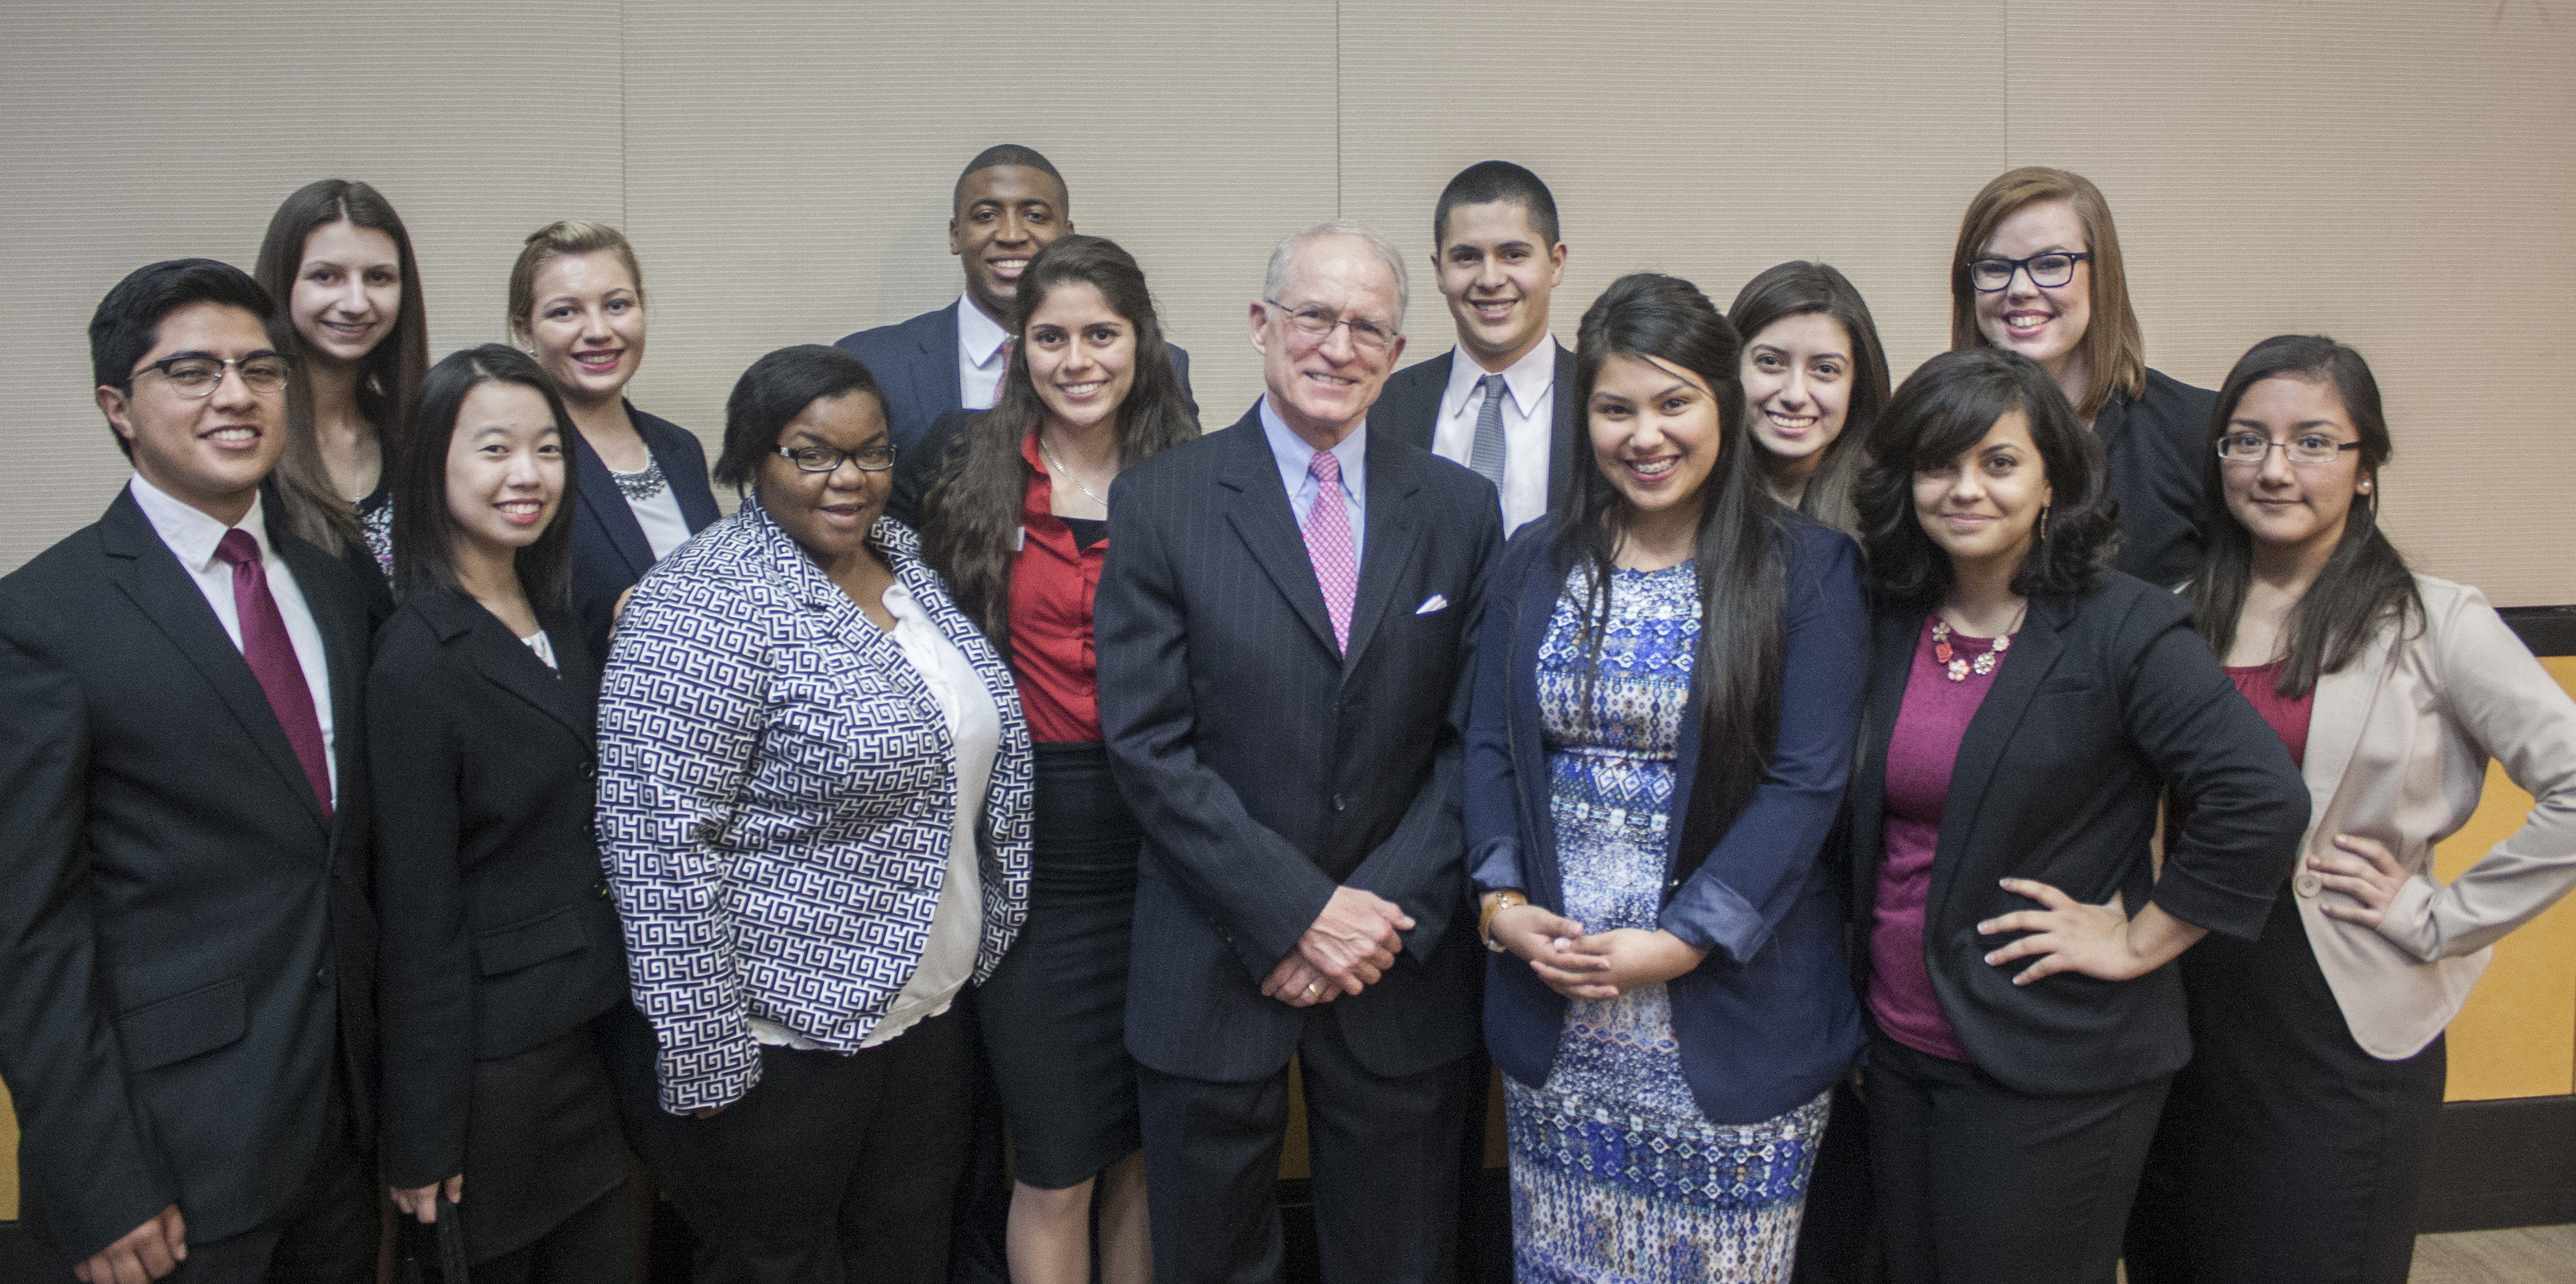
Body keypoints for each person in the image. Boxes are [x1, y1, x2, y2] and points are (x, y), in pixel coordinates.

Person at [1844, 348, 2308, 1283]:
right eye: (1937, 465)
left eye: (1998, 462)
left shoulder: (2120, 626)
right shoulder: (1891, 616)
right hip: (1895, 1042)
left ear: (2050, 480)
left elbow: (2259, 797)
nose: (1964, 489)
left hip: (2053, 1056)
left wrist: (2139, 940)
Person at [1096, 222, 1502, 1284]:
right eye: (1314, 316)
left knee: (1400, 1261)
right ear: (1259, 324)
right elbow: (1146, 745)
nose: (1337, 345)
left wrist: (1366, 920)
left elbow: (1472, 743)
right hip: (1213, 953)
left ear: (1396, 349)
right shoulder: (1163, 499)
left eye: (1367, 327)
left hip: (1396, 963)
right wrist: (1295, 913)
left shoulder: (1458, 510)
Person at [2123, 336, 2576, 1284]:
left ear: (2364, 467)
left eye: (2312, 442)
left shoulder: (2434, 621)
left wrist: (2439, 915)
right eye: (2245, 440)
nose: (2272, 467)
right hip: (2181, 1008)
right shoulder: (2171, 615)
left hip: (2337, 1025)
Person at [595, 344, 1032, 1284]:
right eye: (813, 453)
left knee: (905, 1255)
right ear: (751, 459)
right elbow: (658, 844)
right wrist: (704, 1050)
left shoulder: (904, 564)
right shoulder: (701, 601)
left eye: (871, 452)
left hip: (923, 1018)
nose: (849, 478)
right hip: (779, 1043)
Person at [1466, 272, 1869, 1282]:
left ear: (1721, 406)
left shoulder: (1808, 568)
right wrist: (1499, 904)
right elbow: (1489, 746)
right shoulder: (1533, 562)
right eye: (1615, 409)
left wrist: (1683, 941)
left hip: (1732, 1016)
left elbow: (1806, 783)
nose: (1644, 435)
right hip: (1560, 1013)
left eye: (1672, 402)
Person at [0, 259, 379, 1282]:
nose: (234, 395)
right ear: (117, 407)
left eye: (259, 368)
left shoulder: (333, 580)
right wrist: (97, 1178)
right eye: (192, 371)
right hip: (173, 1153)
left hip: (346, 1128)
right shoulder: (43, 618)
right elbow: (27, 932)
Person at [890, 235, 1197, 1284]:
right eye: (1050, 336)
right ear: (1019, 347)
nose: (1077, 360)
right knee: (1056, 1164)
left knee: (1145, 1155)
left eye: (1100, 334)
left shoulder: (1190, 475)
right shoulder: (962, 463)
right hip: (1027, 858)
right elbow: (849, 560)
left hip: (1167, 850)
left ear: (1139, 341)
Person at [370, 345, 635, 1282]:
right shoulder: (413, 659)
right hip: (497, 1070)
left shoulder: (554, 609)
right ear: (432, 465)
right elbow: (417, 915)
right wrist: (422, 1131)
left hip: (598, 1031)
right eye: (494, 449)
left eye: (547, 449)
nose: (527, 475)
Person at [834, 144, 1193, 452]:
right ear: (956, 235)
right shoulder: (872, 362)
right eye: (986, 215)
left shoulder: (1155, 364)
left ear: (1067, 236)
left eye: (1035, 216)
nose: (1011, 235)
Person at [1948, 167, 2209, 588]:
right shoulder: (1929, 432)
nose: (2020, 289)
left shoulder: (2196, 428)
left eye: (2051, 264)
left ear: (2101, 277)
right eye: (1995, 267)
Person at [507, 220, 719, 659]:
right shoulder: (521, 466)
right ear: (525, 331)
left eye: (617, 305)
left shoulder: (680, 448)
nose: (599, 331)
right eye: (565, 312)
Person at [1373, 160, 1579, 536]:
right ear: (1439, 271)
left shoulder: (1603, 402)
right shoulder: (1382, 407)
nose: (1490, 279)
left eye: (1513, 254)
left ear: (1556, 264)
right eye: (1466, 257)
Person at [253, 177, 431, 584]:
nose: (355, 303)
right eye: (326, 276)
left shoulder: (416, 433)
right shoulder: (248, 438)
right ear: (283, 283)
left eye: (378, 278)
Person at [1727, 261, 1889, 532]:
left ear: (1857, 384)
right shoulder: (1686, 500)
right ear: (1732, 367)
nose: (1795, 396)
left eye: (1825, 369)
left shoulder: (1891, 511)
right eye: (1770, 362)